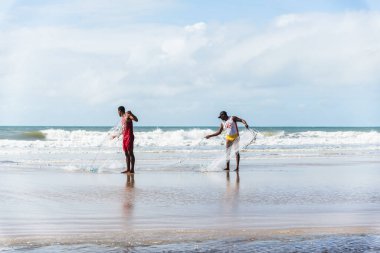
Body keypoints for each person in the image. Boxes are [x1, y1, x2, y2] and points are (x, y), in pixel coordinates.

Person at [113, 106, 138, 174]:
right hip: (124, 137)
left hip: (129, 136)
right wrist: (116, 135)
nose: (117, 113)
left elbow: (136, 120)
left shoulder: (128, 115)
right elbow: (123, 130)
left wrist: (132, 114)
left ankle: (132, 169)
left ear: (120, 111)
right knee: (126, 154)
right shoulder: (122, 119)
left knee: (130, 153)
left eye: (118, 111)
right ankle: (128, 169)